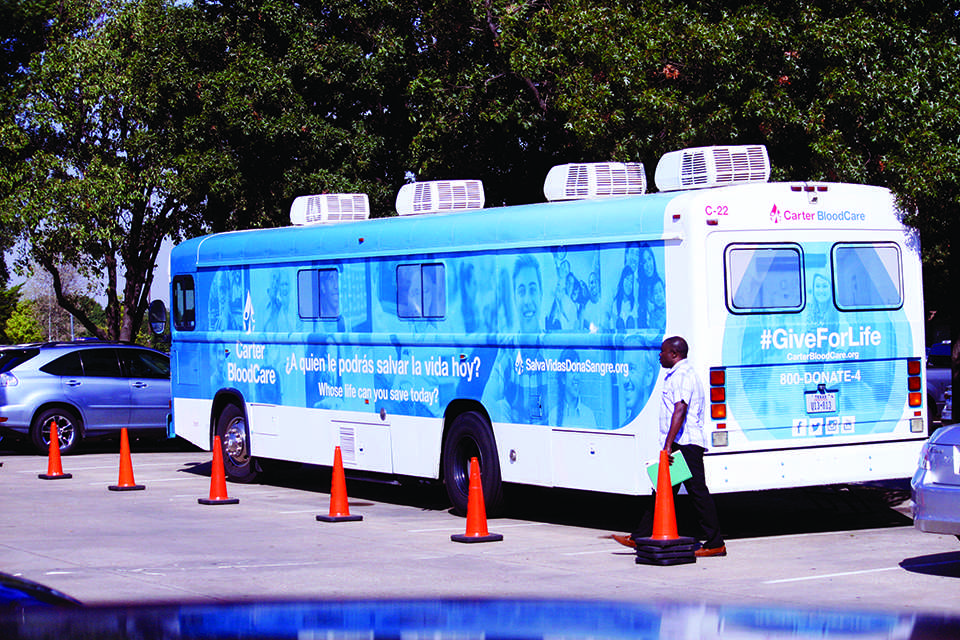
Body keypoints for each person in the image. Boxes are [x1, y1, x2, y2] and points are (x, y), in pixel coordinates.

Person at [612, 336, 726, 557]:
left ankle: (715, 543)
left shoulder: (682, 376)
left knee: (698, 493)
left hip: (686, 444)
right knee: (663, 489)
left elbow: (680, 409)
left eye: (663, 352)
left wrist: (668, 445)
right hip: (680, 442)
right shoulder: (679, 374)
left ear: (674, 354)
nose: (659, 355)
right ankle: (639, 537)